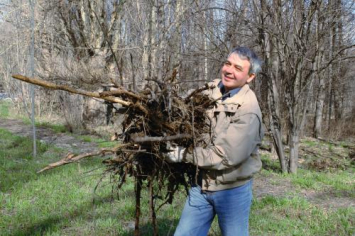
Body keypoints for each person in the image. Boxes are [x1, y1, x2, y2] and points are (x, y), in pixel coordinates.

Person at [166, 46, 264, 236]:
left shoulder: (249, 110)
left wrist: (183, 155)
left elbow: (225, 156)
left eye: (238, 68)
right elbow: (182, 108)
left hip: (231, 190)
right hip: (201, 185)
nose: (229, 70)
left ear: (250, 77)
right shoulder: (210, 90)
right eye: (227, 64)